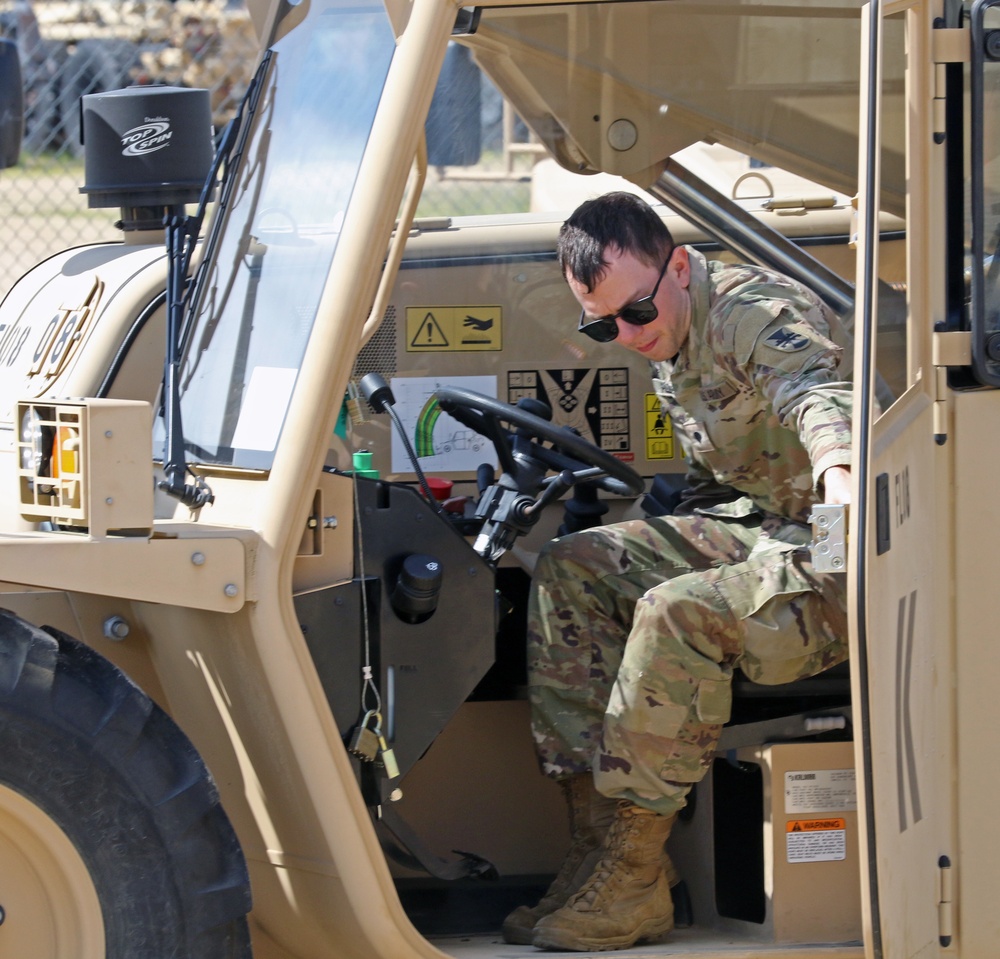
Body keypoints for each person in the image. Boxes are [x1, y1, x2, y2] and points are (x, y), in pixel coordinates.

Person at [503, 192, 853, 952]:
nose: (626, 336)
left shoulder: (748, 313)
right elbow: (716, 483)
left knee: (675, 609)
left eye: (633, 311)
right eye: (603, 326)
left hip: (842, 555)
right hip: (762, 530)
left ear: (681, 265)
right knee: (574, 568)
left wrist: (842, 475)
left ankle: (634, 873)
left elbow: (819, 393)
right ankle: (597, 848)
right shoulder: (670, 334)